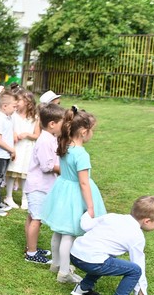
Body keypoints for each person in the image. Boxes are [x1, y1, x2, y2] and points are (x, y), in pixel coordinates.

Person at [69, 196, 154, 295]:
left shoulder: (112, 216)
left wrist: (87, 214)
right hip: (91, 262)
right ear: (147, 221)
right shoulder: (137, 237)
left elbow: (86, 225)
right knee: (135, 270)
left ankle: (83, 289)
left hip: (75, 254)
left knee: (107, 257)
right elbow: (139, 265)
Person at [41, 107, 107, 284]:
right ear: (84, 132)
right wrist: (91, 207)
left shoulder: (65, 146)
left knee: (58, 231)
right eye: (92, 130)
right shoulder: (81, 154)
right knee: (69, 234)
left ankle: (56, 264)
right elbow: (84, 182)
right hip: (75, 194)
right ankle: (64, 272)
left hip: (62, 189)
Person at [23, 103, 66, 264]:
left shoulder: (50, 138)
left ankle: (30, 247)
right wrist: (65, 169)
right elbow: (46, 166)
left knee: (33, 216)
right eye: (62, 123)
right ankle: (32, 254)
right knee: (37, 219)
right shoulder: (44, 141)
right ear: (52, 124)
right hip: (38, 186)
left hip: (41, 186)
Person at [5, 90, 40, 210]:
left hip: (28, 148)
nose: (16, 102)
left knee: (25, 174)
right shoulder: (13, 115)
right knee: (12, 172)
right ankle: (8, 196)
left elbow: (37, 135)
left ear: (27, 102)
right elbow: (8, 128)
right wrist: (14, 133)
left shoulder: (35, 118)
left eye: (18, 100)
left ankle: (25, 198)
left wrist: (26, 134)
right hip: (15, 147)